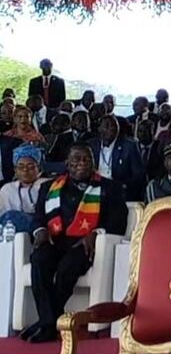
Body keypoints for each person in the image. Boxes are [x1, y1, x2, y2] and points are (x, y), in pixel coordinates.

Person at [23, 144, 127, 343]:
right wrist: (40, 231)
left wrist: (96, 233)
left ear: (93, 163)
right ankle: (50, 321)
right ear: (67, 164)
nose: (81, 164)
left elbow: (118, 220)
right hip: (55, 240)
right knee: (39, 259)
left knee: (66, 268)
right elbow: (38, 217)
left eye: (86, 159)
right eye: (76, 160)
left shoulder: (110, 187)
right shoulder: (48, 187)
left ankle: (46, 324)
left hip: (83, 244)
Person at [87, 115, 146, 202]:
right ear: (99, 129)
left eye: (114, 126)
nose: (111, 128)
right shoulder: (91, 145)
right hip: (94, 188)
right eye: (107, 125)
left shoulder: (129, 146)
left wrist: (121, 186)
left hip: (118, 189)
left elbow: (138, 175)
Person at [0, 145, 48, 233]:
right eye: (20, 167)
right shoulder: (7, 189)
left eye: (30, 167)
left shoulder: (47, 184)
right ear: (15, 170)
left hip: (44, 227)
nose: (25, 170)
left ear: (39, 169)